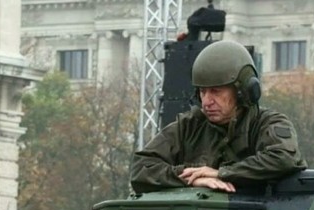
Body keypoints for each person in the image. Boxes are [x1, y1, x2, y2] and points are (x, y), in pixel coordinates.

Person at [131, 39, 305, 194]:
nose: (207, 101)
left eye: (215, 91)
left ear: (242, 91)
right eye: (202, 91)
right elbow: (142, 167)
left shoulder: (267, 124)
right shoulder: (189, 126)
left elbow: (283, 158)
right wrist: (191, 179)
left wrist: (222, 173)